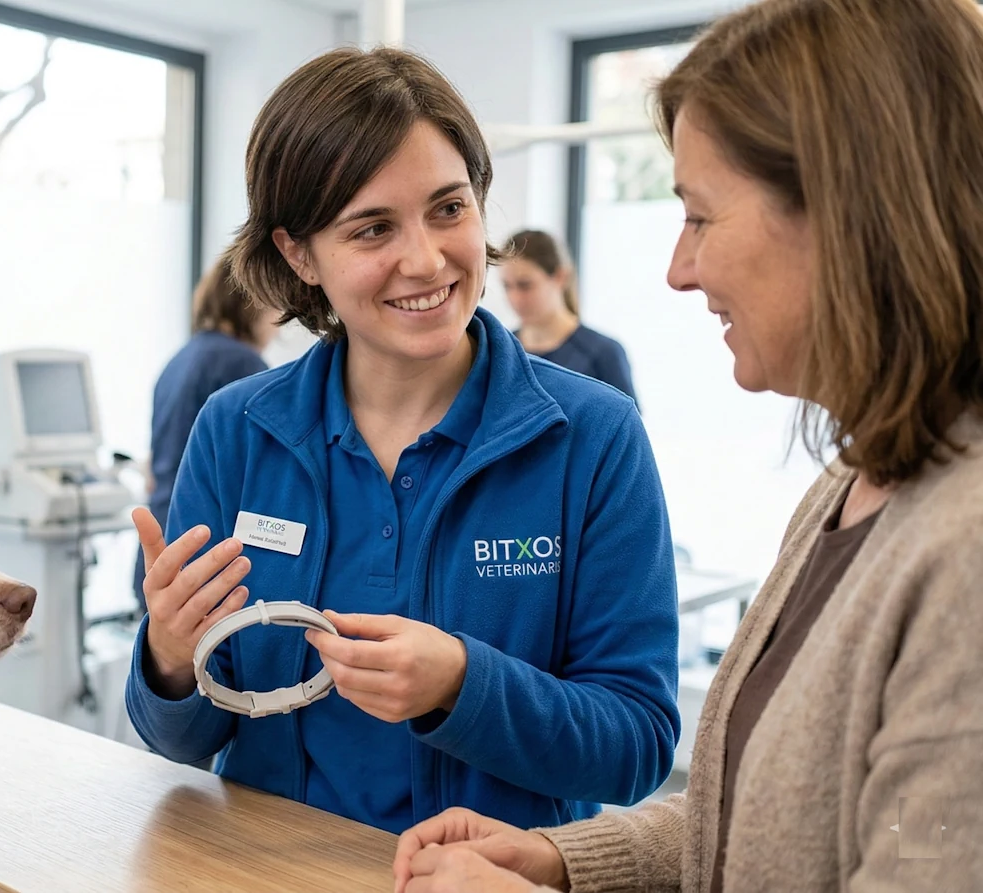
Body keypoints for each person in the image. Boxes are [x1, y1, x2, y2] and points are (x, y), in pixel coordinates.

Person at [394, 0, 983, 890]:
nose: (679, 268)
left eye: (701, 217)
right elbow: (760, 818)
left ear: (852, 215)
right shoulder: (851, 484)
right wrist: (566, 859)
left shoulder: (965, 554)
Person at [123, 45, 680, 836]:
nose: (425, 259)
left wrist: (463, 683)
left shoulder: (593, 435)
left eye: (449, 208)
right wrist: (171, 660)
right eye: (372, 227)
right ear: (297, 253)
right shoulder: (236, 431)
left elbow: (638, 745)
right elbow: (178, 739)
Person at [133, 257, 280, 601]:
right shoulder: (242, 365)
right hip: (203, 553)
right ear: (253, 305)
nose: (277, 326)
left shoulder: (182, 358)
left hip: (163, 543)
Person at [501, 229, 637, 403]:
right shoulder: (502, 350)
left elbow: (627, 427)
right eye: (507, 286)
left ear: (560, 277)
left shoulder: (603, 353)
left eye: (525, 285)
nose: (515, 299)